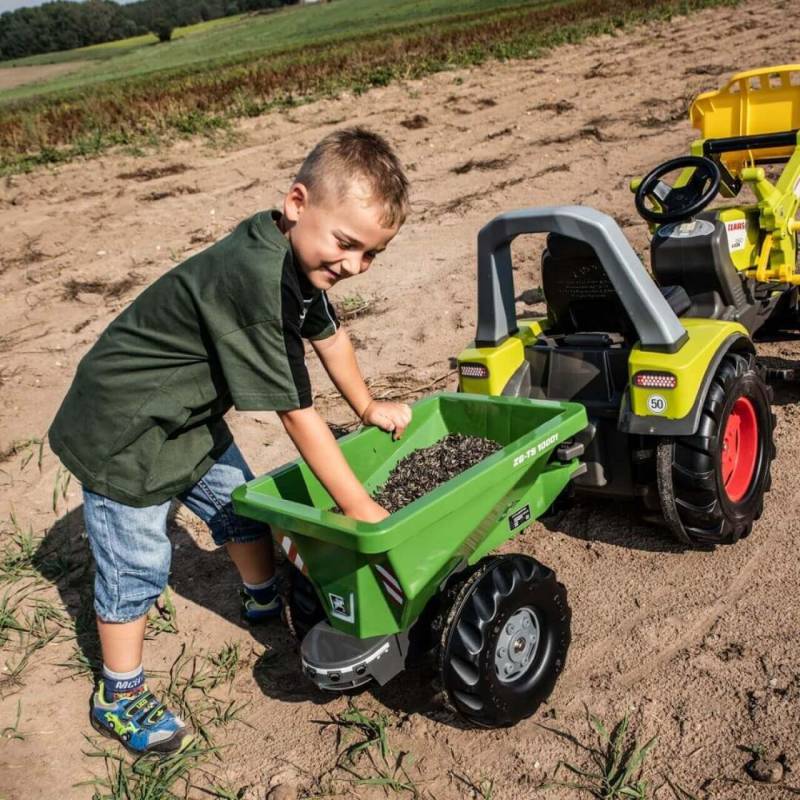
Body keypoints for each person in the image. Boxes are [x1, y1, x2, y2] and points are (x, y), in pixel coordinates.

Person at [48, 127, 412, 755]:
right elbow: (297, 416)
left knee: (243, 506)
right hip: (124, 428)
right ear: (297, 203)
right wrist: (360, 509)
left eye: (371, 254)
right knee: (137, 565)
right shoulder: (257, 280)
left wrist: (368, 404)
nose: (353, 266)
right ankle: (120, 693)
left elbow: (329, 339)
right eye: (347, 244)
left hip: (184, 415)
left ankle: (262, 598)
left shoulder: (298, 261)